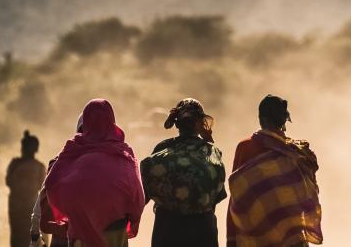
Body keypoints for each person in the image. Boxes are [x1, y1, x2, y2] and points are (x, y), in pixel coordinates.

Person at [42, 99, 145, 247]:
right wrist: (131, 220)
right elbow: (137, 199)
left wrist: (69, 213)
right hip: (113, 234)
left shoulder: (71, 152)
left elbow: (52, 185)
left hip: (79, 233)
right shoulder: (123, 154)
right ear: (112, 122)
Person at [226, 95, 323, 247]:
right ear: (284, 120)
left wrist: (231, 240)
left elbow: (238, 196)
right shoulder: (297, 153)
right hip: (294, 238)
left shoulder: (246, 147)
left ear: (261, 118)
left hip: (259, 236)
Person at [141, 98, 227, 247]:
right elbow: (215, 197)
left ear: (176, 123)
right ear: (200, 123)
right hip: (203, 231)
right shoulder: (212, 153)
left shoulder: (162, 149)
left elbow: (145, 193)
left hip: (167, 230)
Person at [8, 130, 46, 247]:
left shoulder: (19, 164)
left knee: (27, 236)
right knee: (20, 236)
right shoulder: (18, 164)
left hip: (26, 206)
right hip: (21, 206)